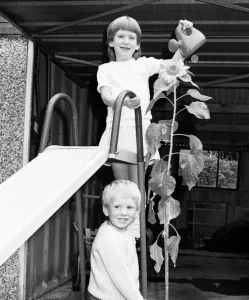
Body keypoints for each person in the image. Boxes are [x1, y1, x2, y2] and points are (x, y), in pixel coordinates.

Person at [97, 15, 193, 184]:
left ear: (137, 44)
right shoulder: (105, 69)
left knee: (136, 183)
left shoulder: (143, 64)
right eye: (120, 36)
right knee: (121, 183)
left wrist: (183, 37)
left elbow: (173, 64)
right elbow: (106, 96)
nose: (126, 41)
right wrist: (123, 101)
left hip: (140, 129)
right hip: (117, 130)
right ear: (111, 42)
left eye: (131, 37)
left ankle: (138, 210)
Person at [87, 180, 145, 300]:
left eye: (129, 207)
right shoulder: (109, 238)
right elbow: (120, 277)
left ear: (137, 212)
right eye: (117, 207)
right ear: (106, 209)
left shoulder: (125, 230)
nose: (123, 213)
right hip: (104, 297)